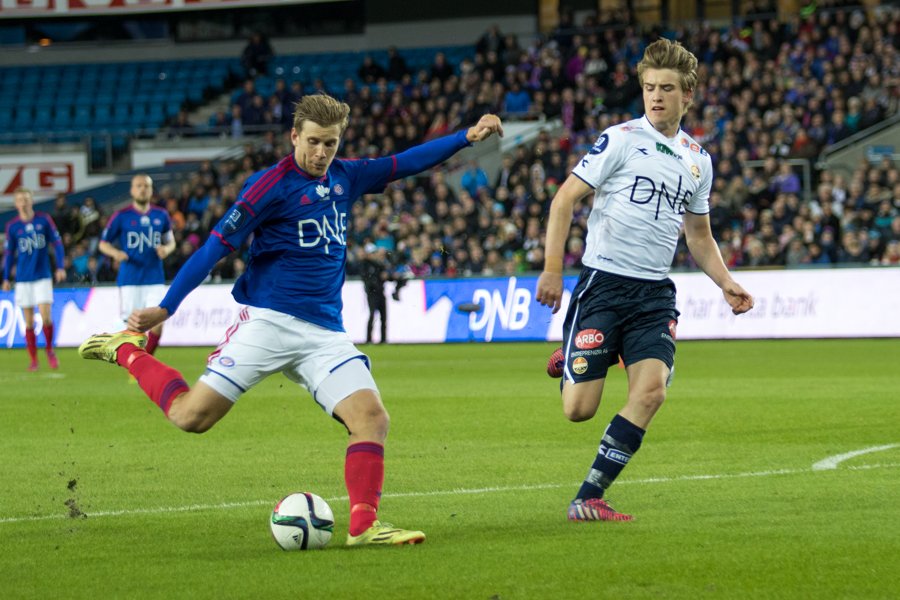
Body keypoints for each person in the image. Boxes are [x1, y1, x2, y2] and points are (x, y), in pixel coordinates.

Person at [79, 94, 503, 546]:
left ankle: (363, 527)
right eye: (315, 143)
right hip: (269, 323)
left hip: (325, 334)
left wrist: (465, 137)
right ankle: (124, 350)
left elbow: (404, 162)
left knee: (371, 419)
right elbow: (214, 248)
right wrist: (167, 307)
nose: (322, 154)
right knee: (191, 417)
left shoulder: (347, 176)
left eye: (331, 145)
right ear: (295, 136)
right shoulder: (268, 186)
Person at [535, 39, 754, 522]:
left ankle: (589, 496)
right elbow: (563, 200)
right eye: (650, 87)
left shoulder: (699, 160)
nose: (656, 96)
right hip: (604, 285)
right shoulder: (620, 138)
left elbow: (698, 235)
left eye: (667, 88)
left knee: (652, 392)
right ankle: (578, 356)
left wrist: (725, 281)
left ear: (688, 94)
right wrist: (552, 268)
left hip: (654, 293)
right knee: (578, 410)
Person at [98, 174, 175, 356]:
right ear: (132, 190)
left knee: (158, 324)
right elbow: (103, 243)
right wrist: (116, 253)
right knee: (131, 326)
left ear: (150, 190)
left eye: (146, 186)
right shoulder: (121, 216)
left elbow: (171, 242)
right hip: (130, 278)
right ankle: (135, 362)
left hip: (154, 277)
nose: (142, 189)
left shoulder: (161, 215)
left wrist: (166, 249)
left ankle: (144, 360)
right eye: (139, 186)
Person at [2, 187, 66, 371]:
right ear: (16, 204)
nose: (23, 203)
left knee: (46, 317)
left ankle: (50, 350)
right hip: (23, 279)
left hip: (43, 276)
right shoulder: (13, 226)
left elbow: (57, 243)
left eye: (26, 199)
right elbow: (9, 254)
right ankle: (34, 360)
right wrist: (6, 278)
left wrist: (60, 267)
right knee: (28, 321)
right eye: (20, 200)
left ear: (31, 201)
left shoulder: (44, 220)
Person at [360, 245, 389, 344]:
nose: (374, 255)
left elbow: (385, 275)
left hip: (380, 292)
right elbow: (366, 279)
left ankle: (383, 339)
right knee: (372, 315)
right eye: (372, 253)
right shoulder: (365, 264)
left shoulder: (378, 264)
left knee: (383, 316)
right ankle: (368, 339)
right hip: (372, 293)